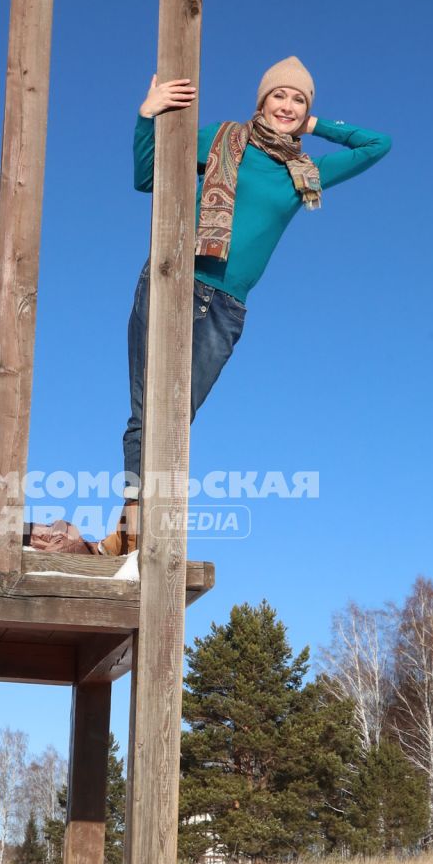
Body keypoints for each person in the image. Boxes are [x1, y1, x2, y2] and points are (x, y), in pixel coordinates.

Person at [105, 56, 392, 553]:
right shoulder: (219, 140)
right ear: (261, 101)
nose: (287, 105)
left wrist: (318, 125)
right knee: (146, 412)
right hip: (173, 279)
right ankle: (135, 531)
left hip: (226, 309)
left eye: (299, 98)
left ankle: (135, 531)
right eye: (279, 95)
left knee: (176, 420)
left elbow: (376, 145)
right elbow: (148, 176)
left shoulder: (305, 172)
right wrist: (146, 115)